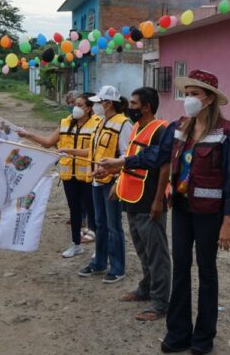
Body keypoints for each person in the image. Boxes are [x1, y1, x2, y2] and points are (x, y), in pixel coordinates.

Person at [100, 70, 230, 355]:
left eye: (194, 94)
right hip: (182, 209)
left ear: (209, 99)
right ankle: (178, 332)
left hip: (209, 213)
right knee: (180, 269)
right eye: (186, 94)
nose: (188, 99)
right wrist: (122, 161)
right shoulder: (179, 127)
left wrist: (228, 222)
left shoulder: (226, 132)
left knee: (206, 271)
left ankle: (203, 338)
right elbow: (156, 156)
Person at [100, 87, 171, 321]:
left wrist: (159, 199)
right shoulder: (137, 127)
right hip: (131, 197)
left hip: (150, 199)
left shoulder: (162, 129)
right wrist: (117, 184)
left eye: (133, 103)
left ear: (147, 106)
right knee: (142, 249)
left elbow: (163, 165)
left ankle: (160, 303)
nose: (129, 107)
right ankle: (147, 288)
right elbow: (129, 159)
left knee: (157, 253)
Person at [18, 93, 100, 258]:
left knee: (93, 212)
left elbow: (96, 151)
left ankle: (100, 248)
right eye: (75, 104)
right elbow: (48, 143)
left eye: (80, 105)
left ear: (89, 108)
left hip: (90, 176)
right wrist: (28, 135)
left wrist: (70, 151)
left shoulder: (98, 124)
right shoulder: (66, 122)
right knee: (74, 210)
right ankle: (76, 243)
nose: (75, 108)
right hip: (69, 175)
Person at [72, 85, 131, 284]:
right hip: (97, 180)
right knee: (100, 224)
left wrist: (116, 176)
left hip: (112, 181)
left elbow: (126, 156)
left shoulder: (123, 124)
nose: (95, 106)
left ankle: (117, 267)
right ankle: (99, 262)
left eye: (98, 103)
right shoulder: (101, 123)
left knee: (114, 226)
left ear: (108, 103)